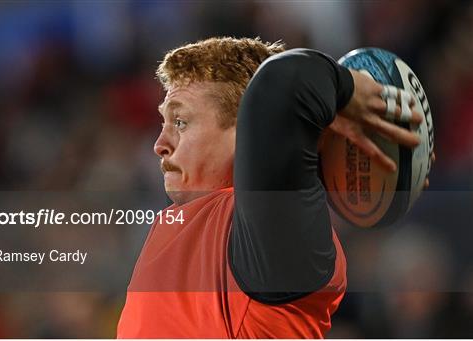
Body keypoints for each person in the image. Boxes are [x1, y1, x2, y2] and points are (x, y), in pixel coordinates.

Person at [116, 37, 426, 338]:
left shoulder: (273, 234)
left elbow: (285, 82)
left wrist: (347, 88)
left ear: (246, 132)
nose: (160, 144)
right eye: (164, 123)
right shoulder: (176, 225)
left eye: (180, 122)